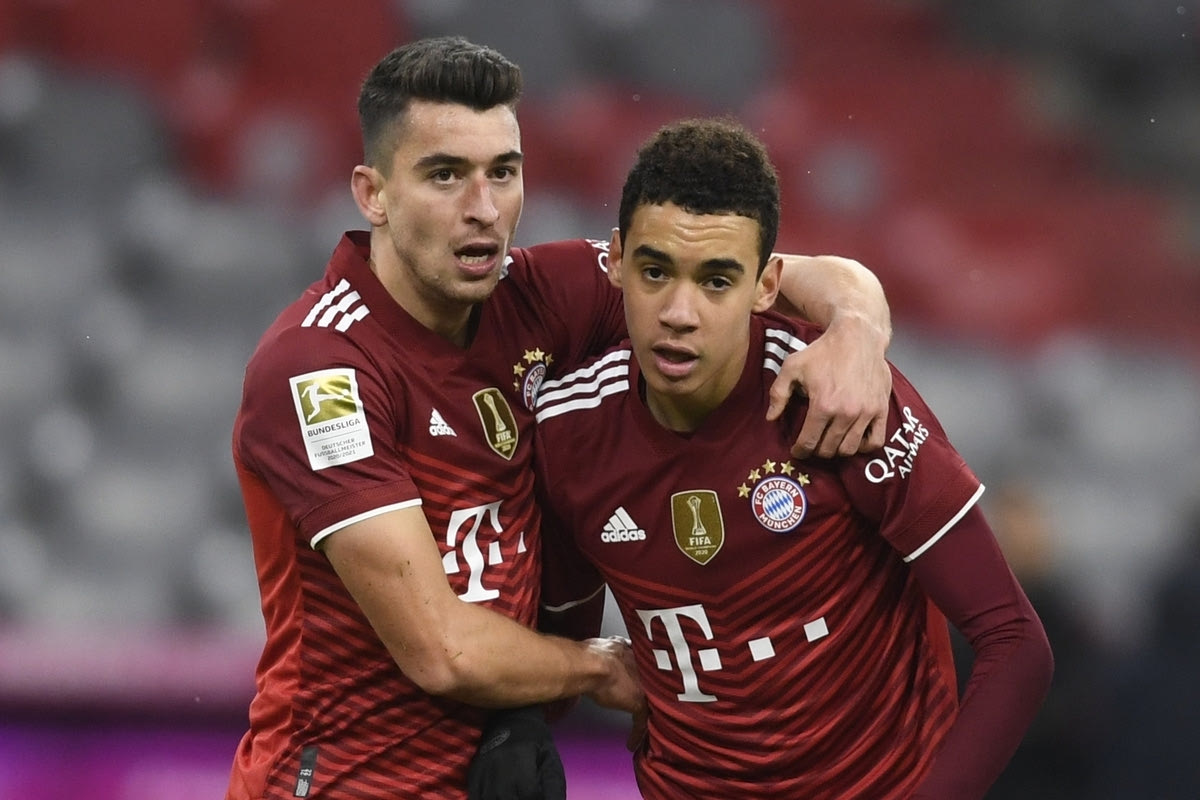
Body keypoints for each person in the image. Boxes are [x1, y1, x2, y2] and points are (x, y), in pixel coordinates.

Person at [225, 36, 896, 800]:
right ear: (373, 193)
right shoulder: (321, 369)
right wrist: (603, 668)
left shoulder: (539, 296)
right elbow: (440, 649)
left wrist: (857, 331)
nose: (484, 210)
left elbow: (780, 273)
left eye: (502, 173)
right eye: (445, 175)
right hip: (339, 784)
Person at [534, 118, 1054, 799]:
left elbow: (1015, 643)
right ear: (613, 262)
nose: (679, 312)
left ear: (767, 285)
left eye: (717, 281)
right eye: (655, 272)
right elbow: (561, 652)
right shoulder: (567, 433)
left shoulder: (841, 402)